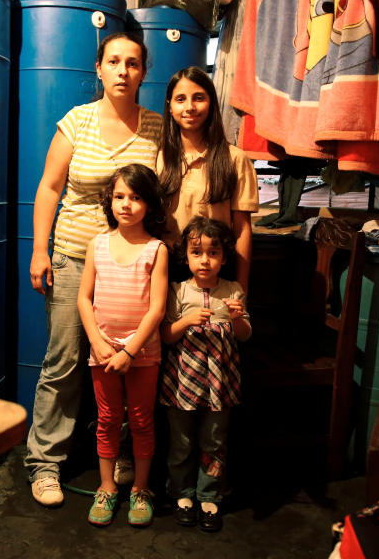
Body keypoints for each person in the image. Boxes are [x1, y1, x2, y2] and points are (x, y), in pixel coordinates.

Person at [25, 32, 162, 508]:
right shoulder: (75, 123)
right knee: (64, 361)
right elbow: (49, 187)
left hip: (132, 267)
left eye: (133, 63)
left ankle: (124, 453)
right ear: (99, 69)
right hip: (73, 257)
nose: (123, 71)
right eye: (114, 61)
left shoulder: (157, 130)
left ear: (143, 72)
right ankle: (45, 464)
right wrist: (39, 250)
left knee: (129, 361)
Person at [77, 164, 169, 527]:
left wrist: (130, 352)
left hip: (142, 355)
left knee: (143, 421)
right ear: (109, 201)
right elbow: (84, 300)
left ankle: (141, 489)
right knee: (107, 419)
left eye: (135, 197)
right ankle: (106, 486)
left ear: (149, 204)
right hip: (101, 353)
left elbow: (158, 308)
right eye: (119, 197)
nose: (126, 205)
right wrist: (99, 344)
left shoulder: (156, 249)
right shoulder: (97, 244)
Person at [159, 216, 251, 533]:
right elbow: (167, 336)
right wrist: (186, 321)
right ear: (186, 256)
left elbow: (244, 335)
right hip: (182, 382)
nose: (205, 260)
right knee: (181, 442)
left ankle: (209, 496)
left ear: (224, 257)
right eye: (197, 252)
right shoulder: (178, 290)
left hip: (221, 384)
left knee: (214, 441)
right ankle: (181, 494)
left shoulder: (234, 291)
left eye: (213, 253)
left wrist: (237, 318)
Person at [156, 66, 259, 293]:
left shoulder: (235, 160)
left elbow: (242, 231)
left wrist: (240, 290)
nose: (190, 107)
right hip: (168, 271)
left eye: (199, 98)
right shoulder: (158, 159)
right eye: (180, 99)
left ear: (211, 103)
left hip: (216, 271)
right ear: (170, 107)